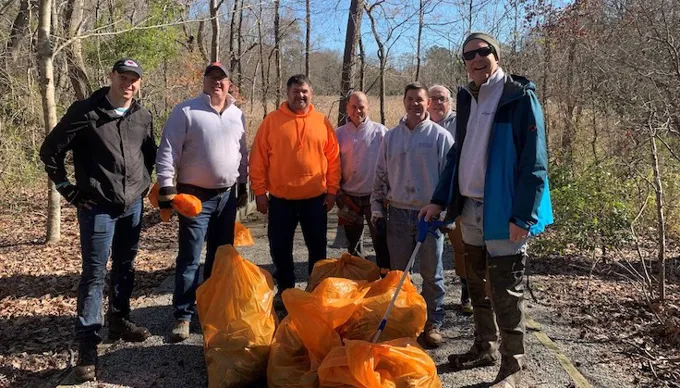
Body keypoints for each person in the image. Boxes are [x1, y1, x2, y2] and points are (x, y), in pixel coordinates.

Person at [420, 32, 553, 387]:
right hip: (470, 209)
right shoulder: (467, 97)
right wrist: (439, 198)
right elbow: (458, 153)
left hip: (504, 211)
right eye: (469, 55)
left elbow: (534, 162)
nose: (477, 59)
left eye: (483, 52)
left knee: (506, 291)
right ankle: (484, 347)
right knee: (476, 285)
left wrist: (523, 216)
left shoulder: (518, 96)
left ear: (496, 54)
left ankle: (512, 367)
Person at [39, 58, 155, 382]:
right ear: (112, 76)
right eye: (123, 77)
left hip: (132, 206)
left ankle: (120, 320)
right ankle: (88, 344)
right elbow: (49, 152)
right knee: (93, 274)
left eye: (134, 79)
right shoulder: (85, 112)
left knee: (126, 266)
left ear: (139, 83)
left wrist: (145, 185)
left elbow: (151, 154)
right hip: (97, 208)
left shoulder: (143, 116)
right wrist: (69, 191)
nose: (128, 84)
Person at [155, 62, 248, 342]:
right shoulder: (186, 110)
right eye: (212, 78)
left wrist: (243, 185)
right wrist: (167, 189)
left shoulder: (237, 114)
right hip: (193, 195)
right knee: (190, 256)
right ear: (204, 81)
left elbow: (242, 153)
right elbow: (167, 151)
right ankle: (183, 315)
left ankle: (212, 308)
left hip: (227, 195)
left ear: (230, 83)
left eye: (222, 78)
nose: (217, 83)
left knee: (221, 257)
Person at [371, 82, 453, 348]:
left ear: (427, 103)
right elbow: (381, 174)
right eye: (410, 99)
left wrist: (446, 213)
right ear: (403, 102)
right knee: (398, 274)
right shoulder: (391, 137)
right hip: (397, 211)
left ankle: (433, 322)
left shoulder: (440, 137)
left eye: (420, 99)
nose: (414, 104)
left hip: (428, 216)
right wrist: (376, 206)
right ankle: (403, 320)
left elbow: (450, 180)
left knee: (432, 273)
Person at [249, 74, 341, 298]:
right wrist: (259, 192)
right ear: (287, 94)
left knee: (318, 248)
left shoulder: (322, 122)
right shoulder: (272, 121)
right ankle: (286, 288)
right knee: (280, 248)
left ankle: (316, 288)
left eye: (304, 92)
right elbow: (258, 159)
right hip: (281, 200)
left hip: (315, 199)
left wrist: (332, 191)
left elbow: (334, 159)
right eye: (295, 92)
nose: (300, 95)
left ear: (311, 94)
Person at [427, 84, 472, 315]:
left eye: (442, 98)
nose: (437, 102)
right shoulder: (419, 125)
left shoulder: (461, 124)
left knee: (461, 248)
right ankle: (429, 303)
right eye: (433, 98)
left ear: (451, 102)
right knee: (428, 252)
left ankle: (467, 293)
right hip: (426, 199)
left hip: (455, 197)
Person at [335, 91, 390, 275]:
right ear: (347, 108)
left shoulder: (381, 132)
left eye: (361, 107)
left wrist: (388, 192)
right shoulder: (339, 134)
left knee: (380, 239)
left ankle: (384, 277)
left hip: (375, 197)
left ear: (368, 108)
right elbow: (333, 165)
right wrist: (336, 192)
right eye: (353, 106)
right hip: (348, 197)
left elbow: (390, 163)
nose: (357, 110)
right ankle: (359, 276)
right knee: (353, 242)